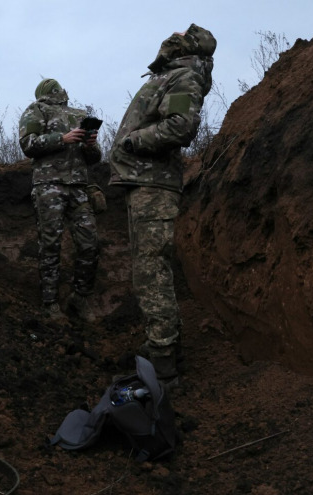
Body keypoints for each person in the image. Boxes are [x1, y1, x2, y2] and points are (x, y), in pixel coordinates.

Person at [108, 24, 216, 385]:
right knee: (148, 271)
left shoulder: (184, 77)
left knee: (152, 272)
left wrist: (132, 142)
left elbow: (181, 127)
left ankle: (163, 363)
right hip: (143, 183)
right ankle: (162, 348)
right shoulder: (171, 77)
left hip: (154, 185)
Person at [18, 78, 103, 323]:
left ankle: (80, 297)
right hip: (48, 185)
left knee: (90, 243)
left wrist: (90, 145)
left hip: (78, 186)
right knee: (50, 245)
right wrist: (62, 139)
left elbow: (94, 158)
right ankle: (50, 304)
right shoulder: (36, 110)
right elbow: (27, 144)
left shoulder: (79, 114)